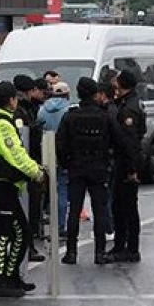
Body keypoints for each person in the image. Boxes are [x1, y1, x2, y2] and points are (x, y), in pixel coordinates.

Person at [0, 82, 46, 298]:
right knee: (11, 233)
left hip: (2, 184)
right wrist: (36, 172)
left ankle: (10, 276)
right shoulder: (1, 124)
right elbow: (15, 154)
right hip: (1, 185)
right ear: (11, 100)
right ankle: (2, 279)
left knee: (13, 232)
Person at [57, 78, 131, 265]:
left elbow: (60, 144)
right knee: (100, 210)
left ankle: (71, 252)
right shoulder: (104, 116)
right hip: (98, 167)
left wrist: (66, 163)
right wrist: (111, 160)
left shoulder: (70, 116)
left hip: (76, 167)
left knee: (74, 210)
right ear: (95, 94)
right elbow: (119, 141)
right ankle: (99, 252)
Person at [109, 70, 147, 262]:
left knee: (126, 207)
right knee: (120, 206)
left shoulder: (128, 109)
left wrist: (132, 170)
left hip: (126, 162)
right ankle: (121, 245)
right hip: (125, 160)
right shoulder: (128, 102)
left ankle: (130, 248)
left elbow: (130, 141)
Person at [12, 75, 47, 262]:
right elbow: (25, 140)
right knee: (28, 209)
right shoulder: (22, 112)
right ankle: (27, 247)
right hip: (27, 165)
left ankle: (28, 245)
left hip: (27, 163)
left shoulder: (26, 109)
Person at [38, 81, 72, 237]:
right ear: (67, 94)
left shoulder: (42, 110)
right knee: (62, 190)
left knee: (45, 190)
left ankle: (41, 223)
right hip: (63, 154)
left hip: (45, 153)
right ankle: (60, 225)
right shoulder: (69, 110)